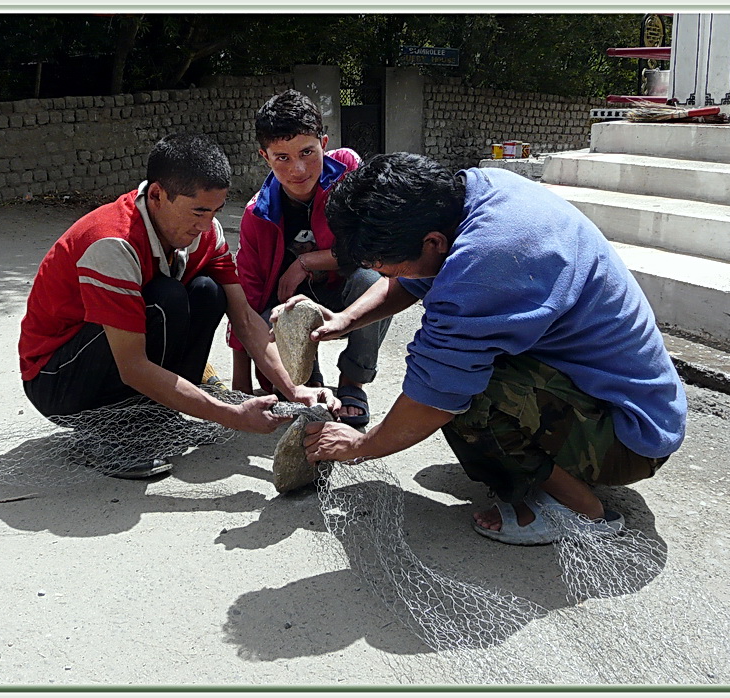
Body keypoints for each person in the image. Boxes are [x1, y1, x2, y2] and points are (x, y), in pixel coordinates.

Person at [288, 152, 687, 545]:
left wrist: (362, 444)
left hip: (629, 436)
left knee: (466, 400)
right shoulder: (475, 195)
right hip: (629, 398)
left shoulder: (483, 265)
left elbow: (433, 397)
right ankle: (556, 464)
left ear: (433, 243)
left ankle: (583, 511)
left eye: (386, 267)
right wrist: (345, 320)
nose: (385, 277)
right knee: (458, 382)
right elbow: (412, 278)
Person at [19, 133, 335, 479]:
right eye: (198, 211)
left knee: (207, 291)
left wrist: (294, 389)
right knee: (165, 298)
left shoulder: (207, 233)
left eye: (215, 211)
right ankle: (107, 433)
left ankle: (153, 417)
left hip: (112, 360)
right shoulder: (113, 243)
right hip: (57, 381)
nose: (205, 225)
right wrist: (228, 415)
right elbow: (132, 366)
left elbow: (244, 318)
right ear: (157, 195)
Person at [229, 89, 391, 428]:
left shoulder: (348, 171)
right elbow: (247, 299)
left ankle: (352, 384)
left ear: (324, 143)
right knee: (269, 314)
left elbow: (371, 245)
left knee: (374, 281)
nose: (298, 169)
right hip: (285, 305)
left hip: (341, 290)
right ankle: (308, 384)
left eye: (307, 152)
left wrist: (305, 262)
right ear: (264, 157)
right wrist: (241, 385)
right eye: (282, 157)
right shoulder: (256, 215)